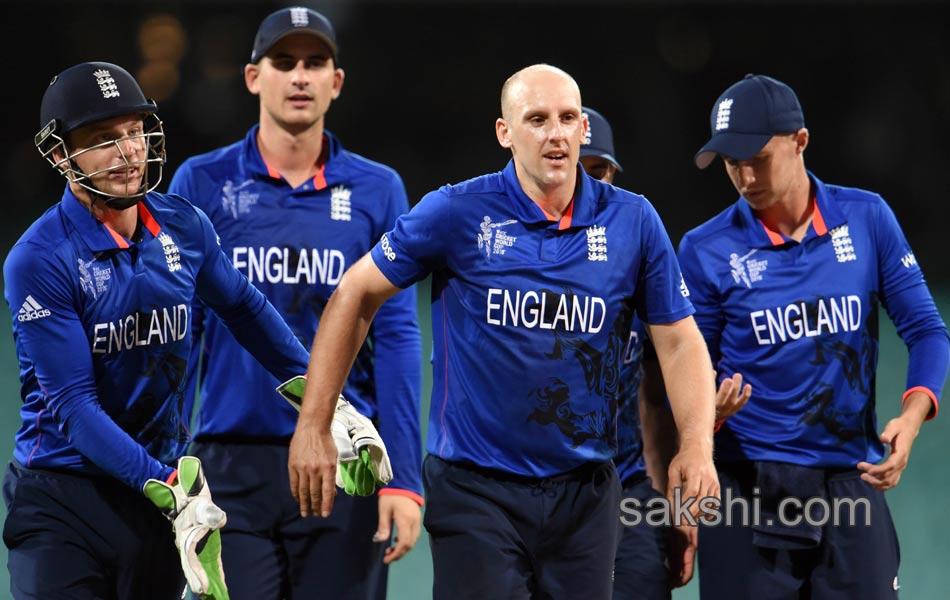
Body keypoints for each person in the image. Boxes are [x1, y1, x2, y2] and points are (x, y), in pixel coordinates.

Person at [287, 63, 720, 600]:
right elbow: (355, 294)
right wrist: (314, 421)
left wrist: (696, 445)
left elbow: (677, 339)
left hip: (586, 493)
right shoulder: (457, 211)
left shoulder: (633, 221)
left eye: (567, 118)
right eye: (536, 119)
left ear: (584, 129)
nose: (555, 133)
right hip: (476, 491)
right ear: (505, 133)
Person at [2, 61, 313, 599]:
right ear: (60, 156)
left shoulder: (184, 225)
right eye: (103, 139)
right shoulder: (39, 260)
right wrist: (170, 488)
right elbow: (75, 408)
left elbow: (242, 307)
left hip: (158, 501)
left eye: (134, 132)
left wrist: (322, 396)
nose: (128, 152)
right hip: (63, 499)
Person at [167, 6, 423, 599]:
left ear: (336, 81)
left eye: (315, 63)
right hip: (230, 465)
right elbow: (180, 336)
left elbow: (397, 338)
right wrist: (169, 465)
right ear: (254, 77)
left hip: (346, 463)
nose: (300, 76)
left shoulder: (377, 189)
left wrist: (404, 480)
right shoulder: (199, 184)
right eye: (284, 62)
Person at [683, 73, 950, 599]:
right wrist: (703, 411)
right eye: (730, 162)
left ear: (799, 141)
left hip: (850, 478)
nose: (743, 174)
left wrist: (912, 419)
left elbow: (926, 331)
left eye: (755, 157)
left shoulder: (866, 217)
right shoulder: (703, 249)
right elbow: (685, 368)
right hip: (747, 491)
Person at [579, 107, 751, 599]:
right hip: (544, 490)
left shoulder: (640, 264)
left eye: (599, 172)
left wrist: (674, 510)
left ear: (613, 175)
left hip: (628, 488)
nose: (588, 186)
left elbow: (653, 399)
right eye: (577, 171)